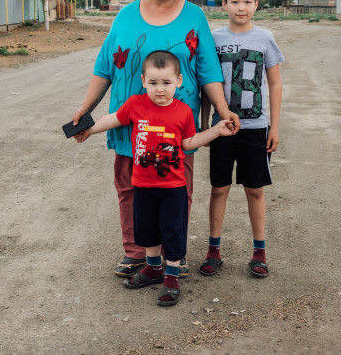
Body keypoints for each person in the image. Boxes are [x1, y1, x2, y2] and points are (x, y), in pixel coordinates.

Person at [71, 0, 240, 278]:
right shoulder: (125, 15)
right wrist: (86, 108)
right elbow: (105, 66)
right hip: (130, 123)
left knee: (177, 191)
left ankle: (173, 255)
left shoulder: (194, 16)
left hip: (176, 125)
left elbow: (208, 69)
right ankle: (137, 252)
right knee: (130, 188)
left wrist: (222, 109)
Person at [75, 51, 234, 306]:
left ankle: (171, 277)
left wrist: (216, 131)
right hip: (142, 184)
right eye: (153, 82)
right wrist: (89, 129)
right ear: (143, 81)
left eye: (166, 82)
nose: (160, 89)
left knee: (172, 231)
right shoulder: (135, 105)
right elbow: (114, 119)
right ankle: (153, 268)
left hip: (173, 187)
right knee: (146, 229)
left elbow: (188, 143)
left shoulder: (183, 112)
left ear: (179, 81)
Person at [198, 0, 284, 279]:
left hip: (255, 128)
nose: (241, 7)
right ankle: (213, 250)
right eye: (235, 1)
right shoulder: (214, 39)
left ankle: (259, 252)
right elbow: (206, 83)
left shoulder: (265, 38)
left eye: (247, 1)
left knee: (255, 190)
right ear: (223, 4)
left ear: (256, 4)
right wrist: (204, 123)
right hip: (222, 129)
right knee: (218, 188)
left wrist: (274, 127)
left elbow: (275, 83)